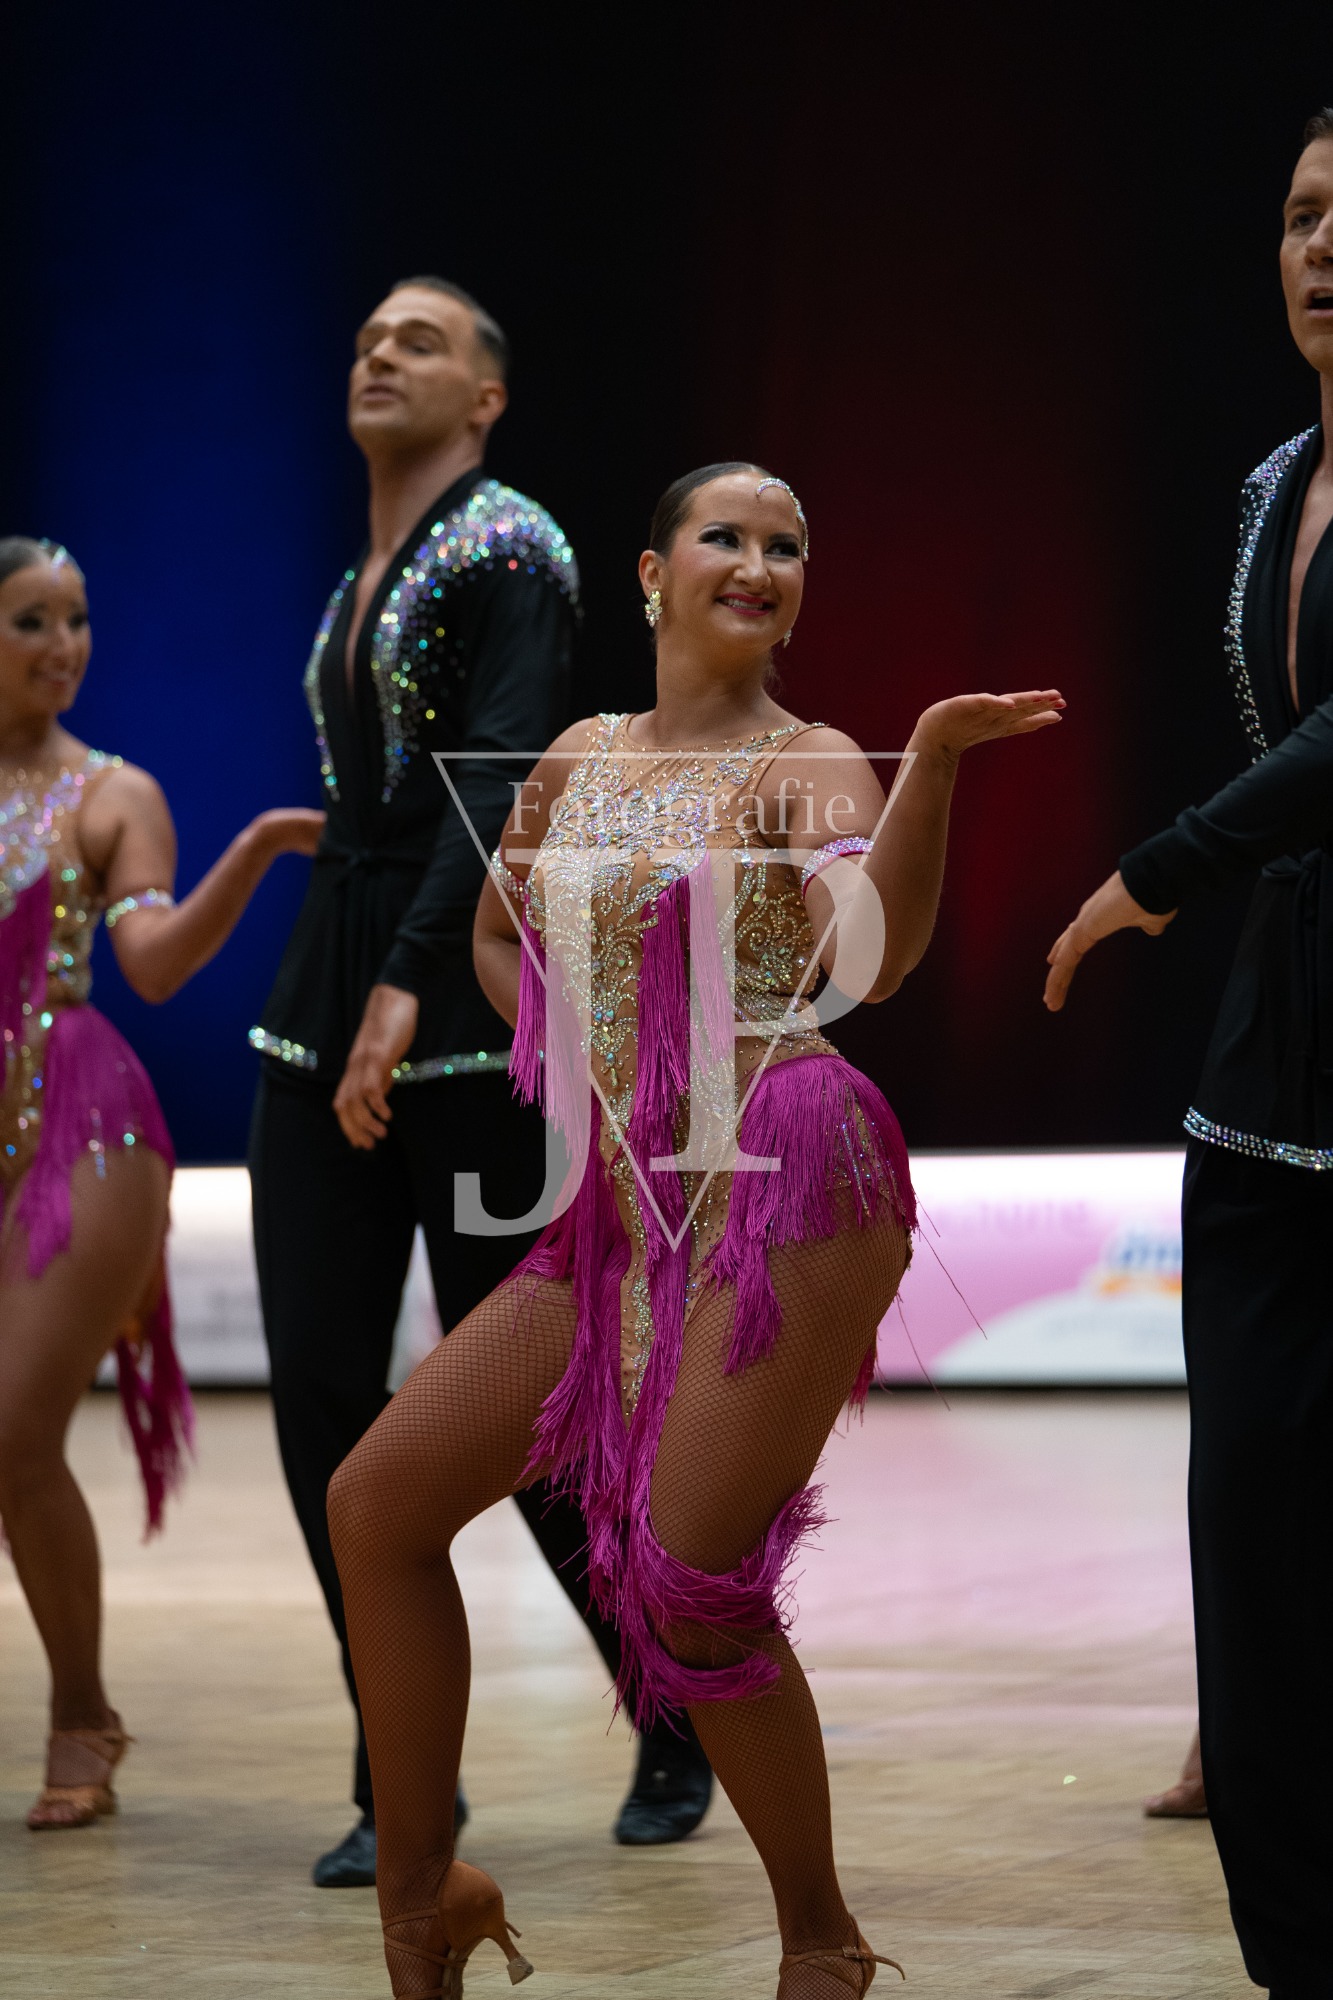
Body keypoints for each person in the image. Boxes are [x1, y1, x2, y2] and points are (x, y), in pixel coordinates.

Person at [328, 462, 1065, 1998]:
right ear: (653, 576)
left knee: (680, 1575)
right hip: (620, 1199)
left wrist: (928, 763)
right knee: (378, 1504)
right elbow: (495, 933)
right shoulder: (578, 756)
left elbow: (871, 955)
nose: (758, 561)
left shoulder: (811, 764)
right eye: (723, 536)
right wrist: (575, 1025)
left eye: (786, 544)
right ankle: (421, 1900)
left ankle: (819, 1937)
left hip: (790, 1168)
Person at [248, 275, 713, 1891]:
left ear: (488, 397)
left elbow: (495, 775)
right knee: (319, 1393)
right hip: (327, 995)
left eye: (422, 340)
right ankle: (401, 1769)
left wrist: (406, 974)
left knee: (520, 1404)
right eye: (369, 336)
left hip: (457, 1002)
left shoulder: (510, 546)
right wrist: (358, 973)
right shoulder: (360, 573)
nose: (380, 352)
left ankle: (672, 1693)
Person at [1044, 109, 1333, 1999]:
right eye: (1303, 215)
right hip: (1267, 1063)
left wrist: (1153, 870)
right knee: (1245, 1507)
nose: (1324, 245)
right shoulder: (1268, 483)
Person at [0, 535, 321, 1830]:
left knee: (14, 1430)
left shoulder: (113, 793)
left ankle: (81, 1710)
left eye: (77, 620)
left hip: (80, 1119)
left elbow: (157, 964)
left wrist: (254, 848)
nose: (64, 646)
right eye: (32, 621)